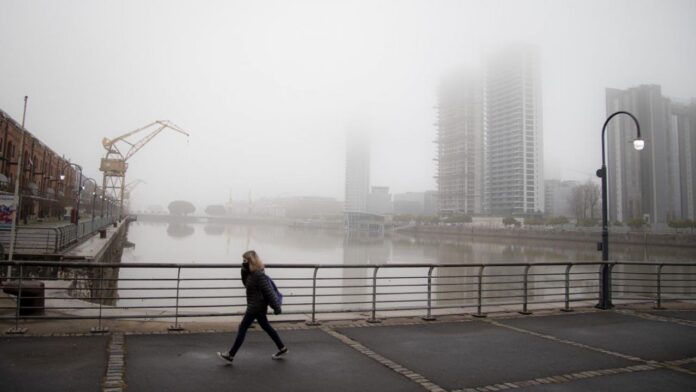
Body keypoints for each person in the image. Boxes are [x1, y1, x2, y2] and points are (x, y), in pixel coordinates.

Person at [217, 250, 287, 364]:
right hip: (256, 306)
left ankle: (231, 355)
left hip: (255, 307)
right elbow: (246, 283)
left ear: (251, 261)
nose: (243, 262)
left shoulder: (259, 275)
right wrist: (243, 269)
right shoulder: (251, 274)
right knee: (267, 327)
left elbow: (269, 292)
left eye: (245, 260)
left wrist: (276, 307)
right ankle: (282, 348)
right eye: (243, 260)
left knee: (242, 328)